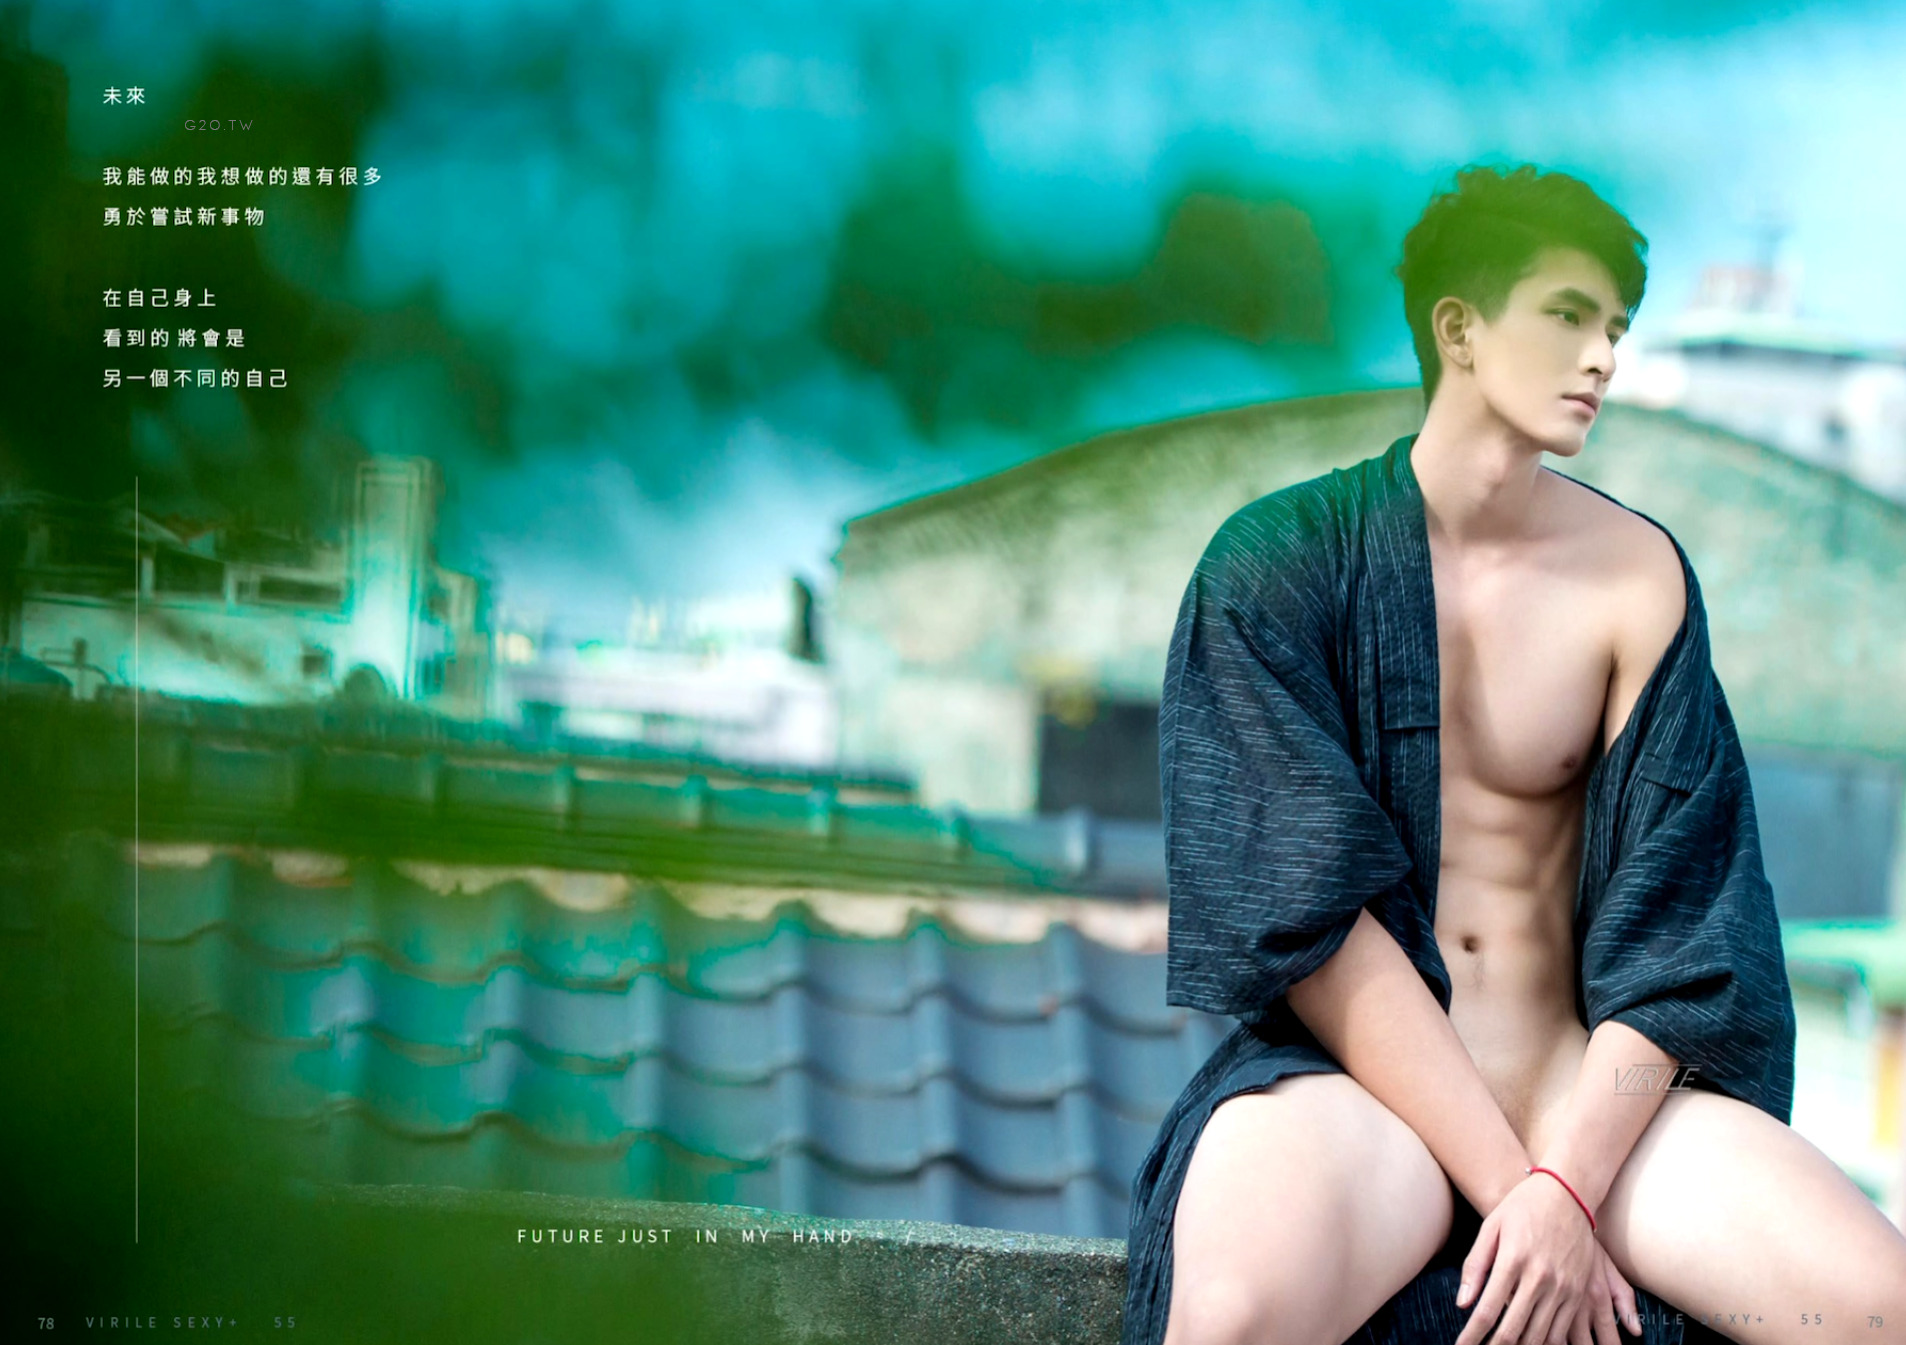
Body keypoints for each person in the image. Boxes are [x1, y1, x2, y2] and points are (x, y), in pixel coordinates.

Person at [1120, 163, 1906, 1345]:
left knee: (1879, 1307)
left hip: (1587, 1104)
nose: (1602, 357)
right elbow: (1304, 920)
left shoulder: (1638, 576)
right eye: (1567, 315)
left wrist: (1567, 1185)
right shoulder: (1278, 564)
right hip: (1361, 1096)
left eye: (1616, 328)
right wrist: (1512, 1192)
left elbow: (1685, 943)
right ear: (1460, 330)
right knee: (1228, 1317)